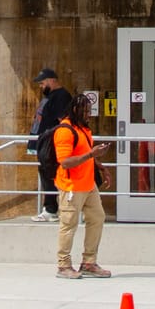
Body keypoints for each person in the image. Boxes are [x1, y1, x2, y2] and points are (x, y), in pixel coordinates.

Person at [51, 94, 114, 279]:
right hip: (71, 186)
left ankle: (89, 262)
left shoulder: (83, 129)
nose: (89, 114)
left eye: (90, 111)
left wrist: (101, 166)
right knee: (68, 225)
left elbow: (86, 154)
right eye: (85, 111)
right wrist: (91, 155)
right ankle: (64, 266)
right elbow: (65, 162)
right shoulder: (65, 131)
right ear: (75, 110)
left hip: (88, 185)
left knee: (97, 218)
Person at [28, 67, 73, 222]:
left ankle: (51, 209)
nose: (41, 87)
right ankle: (49, 208)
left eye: (42, 83)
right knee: (46, 174)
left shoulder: (61, 96)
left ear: (52, 80)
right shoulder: (52, 95)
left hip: (52, 144)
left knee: (50, 175)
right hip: (43, 143)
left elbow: (64, 121)